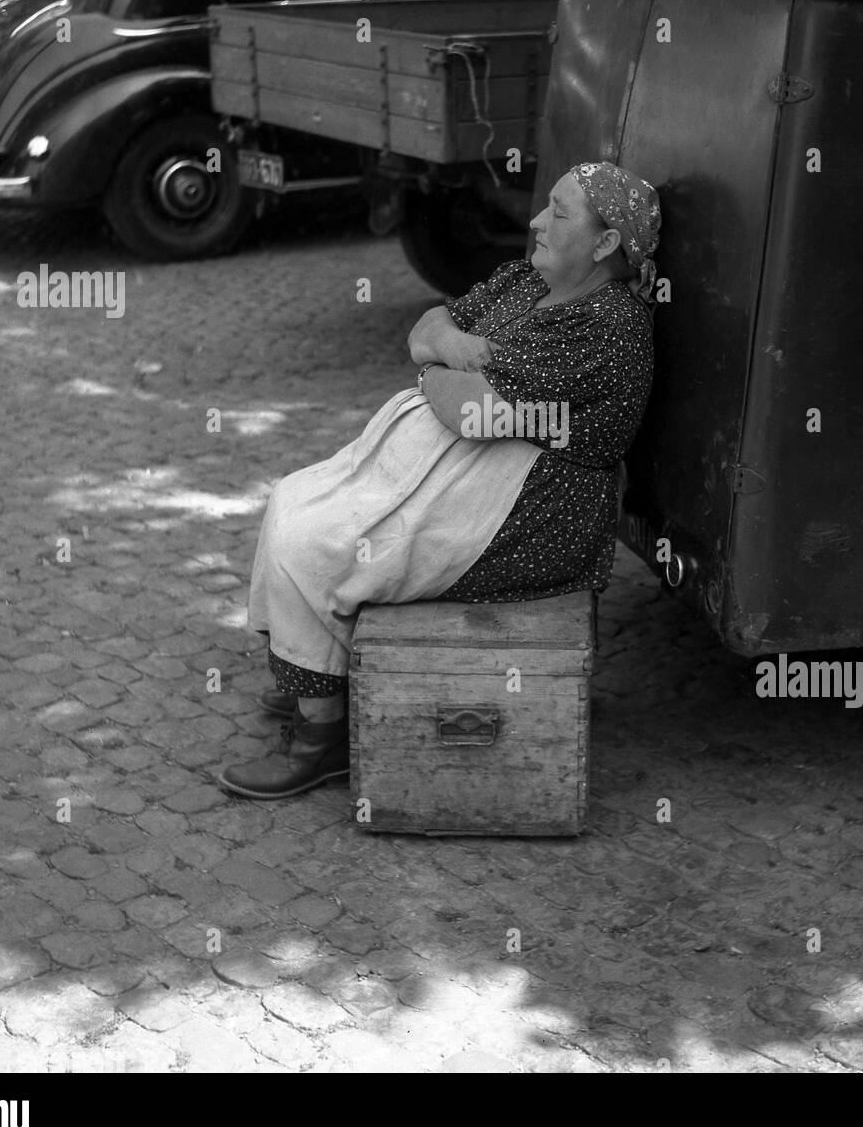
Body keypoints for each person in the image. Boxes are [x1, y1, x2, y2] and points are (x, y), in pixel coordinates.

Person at [218, 161, 662, 799]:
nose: (535, 221)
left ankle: (320, 742)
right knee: (292, 499)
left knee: (311, 544)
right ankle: (321, 676)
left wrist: (435, 374)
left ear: (604, 244)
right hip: (456, 473)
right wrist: (458, 356)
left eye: (559, 214)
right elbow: (424, 329)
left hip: (527, 515)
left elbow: (468, 411)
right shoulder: (525, 280)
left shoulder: (606, 328)